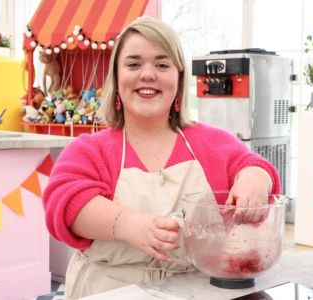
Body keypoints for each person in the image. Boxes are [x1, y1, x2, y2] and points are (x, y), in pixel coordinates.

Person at [43, 17, 280, 299]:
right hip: (108, 291)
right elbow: (64, 203)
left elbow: (254, 166)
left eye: (162, 64)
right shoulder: (89, 150)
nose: (148, 74)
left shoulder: (211, 143)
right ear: (116, 80)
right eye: (133, 64)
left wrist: (255, 179)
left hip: (195, 291)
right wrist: (127, 225)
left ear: (178, 79)